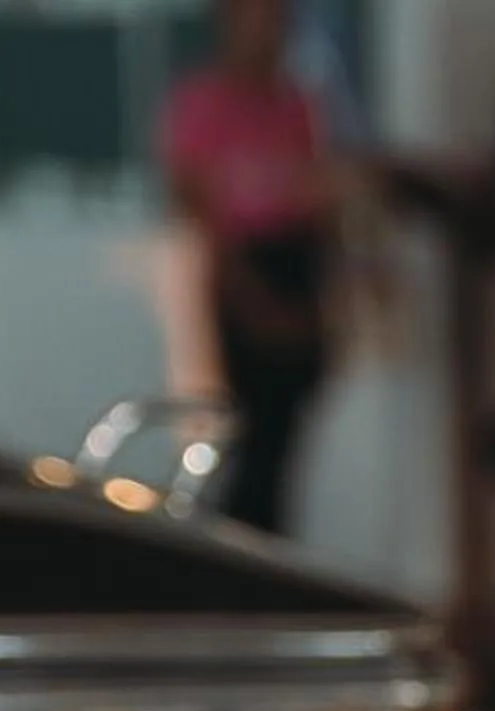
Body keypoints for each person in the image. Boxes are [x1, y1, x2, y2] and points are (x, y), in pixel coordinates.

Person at [162, 0, 336, 536]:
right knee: (247, 446)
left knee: (282, 449)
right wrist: (252, 301)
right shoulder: (202, 105)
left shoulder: (297, 105)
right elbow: (200, 218)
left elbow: (314, 205)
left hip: (295, 267)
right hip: (244, 278)